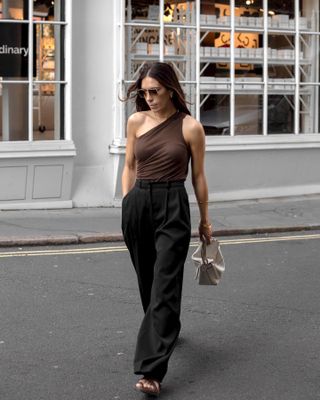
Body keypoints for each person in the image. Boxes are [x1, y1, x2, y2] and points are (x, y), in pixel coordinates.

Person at [121, 62, 212, 396]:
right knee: (148, 282)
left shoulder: (190, 127)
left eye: (154, 91)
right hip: (139, 204)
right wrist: (127, 201)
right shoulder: (136, 121)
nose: (149, 98)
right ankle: (166, 327)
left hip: (173, 203)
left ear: (171, 89)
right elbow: (129, 165)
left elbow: (199, 176)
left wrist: (205, 219)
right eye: (143, 92)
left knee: (165, 284)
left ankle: (152, 369)